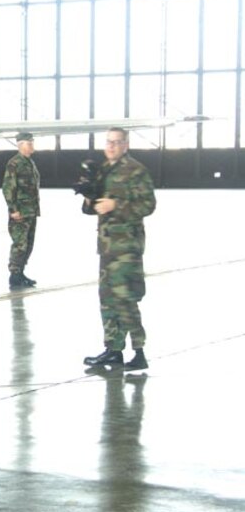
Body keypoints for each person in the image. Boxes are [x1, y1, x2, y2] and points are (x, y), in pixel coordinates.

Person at [83, 127, 155, 371]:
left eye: (116, 142)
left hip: (126, 247)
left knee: (125, 299)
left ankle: (139, 351)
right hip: (107, 245)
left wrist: (116, 205)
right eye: (108, 142)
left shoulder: (136, 170)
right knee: (107, 299)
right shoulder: (103, 169)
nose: (111, 146)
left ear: (126, 145)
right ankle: (113, 349)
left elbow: (148, 205)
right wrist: (88, 196)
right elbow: (94, 207)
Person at [2, 131, 40, 289]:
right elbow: (8, 187)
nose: (32, 146)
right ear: (20, 145)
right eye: (29, 143)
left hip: (31, 210)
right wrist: (13, 209)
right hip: (20, 212)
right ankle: (14, 274)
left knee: (29, 243)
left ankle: (21, 273)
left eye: (32, 143)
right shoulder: (14, 163)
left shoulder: (29, 162)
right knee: (20, 244)